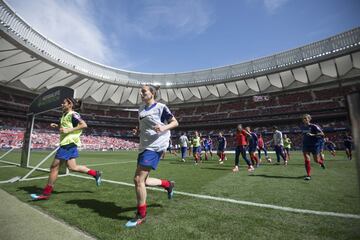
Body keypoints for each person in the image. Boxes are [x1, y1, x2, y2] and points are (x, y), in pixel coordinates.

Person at [125, 85, 178, 228]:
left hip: (156, 146)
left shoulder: (161, 107)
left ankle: (141, 215)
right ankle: (168, 185)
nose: (141, 93)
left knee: (138, 179)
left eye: (144, 91)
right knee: (145, 181)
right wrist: (138, 131)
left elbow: (175, 122)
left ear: (152, 93)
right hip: (144, 146)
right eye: (141, 91)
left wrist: (163, 127)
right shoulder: (141, 109)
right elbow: (143, 126)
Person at [31, 97, 102, 201]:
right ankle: (95, 173)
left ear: (70, 105)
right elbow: (65, 127)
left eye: (64, 103)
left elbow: (84, 125)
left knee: (54, 168)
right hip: (69, 143)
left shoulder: (74, 114)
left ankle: (46, 194)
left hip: (68, 143)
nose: (62, 104)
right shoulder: (65, 115)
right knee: (73, 167)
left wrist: (69, 129)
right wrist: (57, 125)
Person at [301, 114, 325, 181]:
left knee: (316, 160)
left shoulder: (314, 126)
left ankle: (321, 162)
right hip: (306, 145)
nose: (304, 119)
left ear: (309, 119)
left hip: (314, 145)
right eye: (303, 118)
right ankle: (308, 175)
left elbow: (322, 134)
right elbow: (303, 134)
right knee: (306, 159)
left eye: (305, 118)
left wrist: (313, 134)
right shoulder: (302, 127)